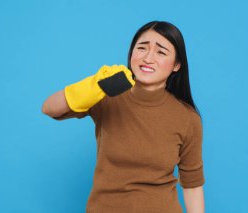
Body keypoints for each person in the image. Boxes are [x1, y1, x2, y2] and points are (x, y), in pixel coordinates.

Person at [42, 21, 205, 213]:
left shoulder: (187, 118)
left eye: (161, 52)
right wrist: (94, 85)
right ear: (131, 53)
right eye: (142, 48)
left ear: (176, 65)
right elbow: (50, 108)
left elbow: (192, 185)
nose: (148, 57)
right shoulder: (107, 95)